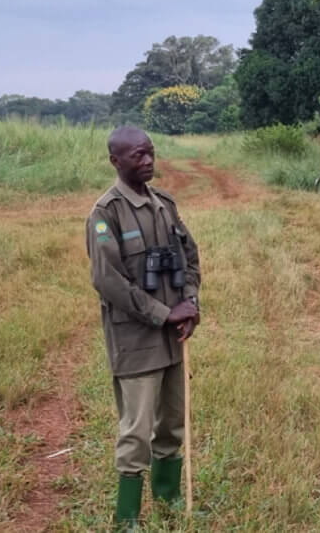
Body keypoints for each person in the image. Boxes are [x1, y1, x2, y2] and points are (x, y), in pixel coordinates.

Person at [86, 126, 201, 530]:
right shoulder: (106, 213)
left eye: (150, 153)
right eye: (138, 156)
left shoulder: (165, 205)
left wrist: (190, 304)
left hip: (173, 339)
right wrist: (160, 312)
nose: (148, 161)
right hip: (136, 341)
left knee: (171, 424)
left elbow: (189, 258)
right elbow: (108, 280)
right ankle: (128, 519)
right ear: (115, 161)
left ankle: (168, 504)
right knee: (136, 431)